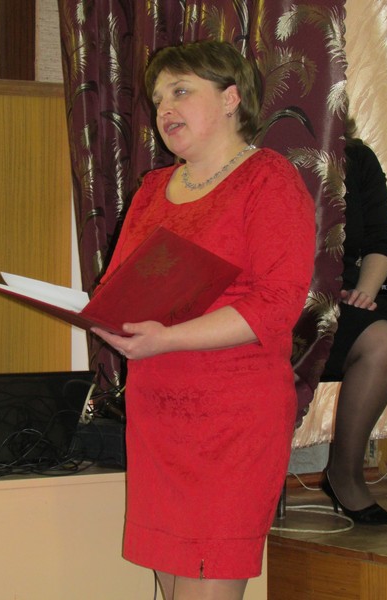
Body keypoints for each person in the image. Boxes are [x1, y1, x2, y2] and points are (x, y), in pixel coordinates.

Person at [91, 40, 315, 600]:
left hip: (232, 421)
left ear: (231, 98)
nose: (165, 108)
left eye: (181, 91)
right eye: (158, 98)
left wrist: (168, 338)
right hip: (158, 416)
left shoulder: (269, 179)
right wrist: (103, 317)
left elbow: (277, 303)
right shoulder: (151, 190)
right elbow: (118, 290)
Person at [321, 116, 387, 525]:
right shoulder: (269, 155)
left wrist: (365, 291)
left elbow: (380, 244)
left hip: (349, 293)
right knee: (381, 338)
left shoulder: (358, 159)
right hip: (294, 299)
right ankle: (344, 474)